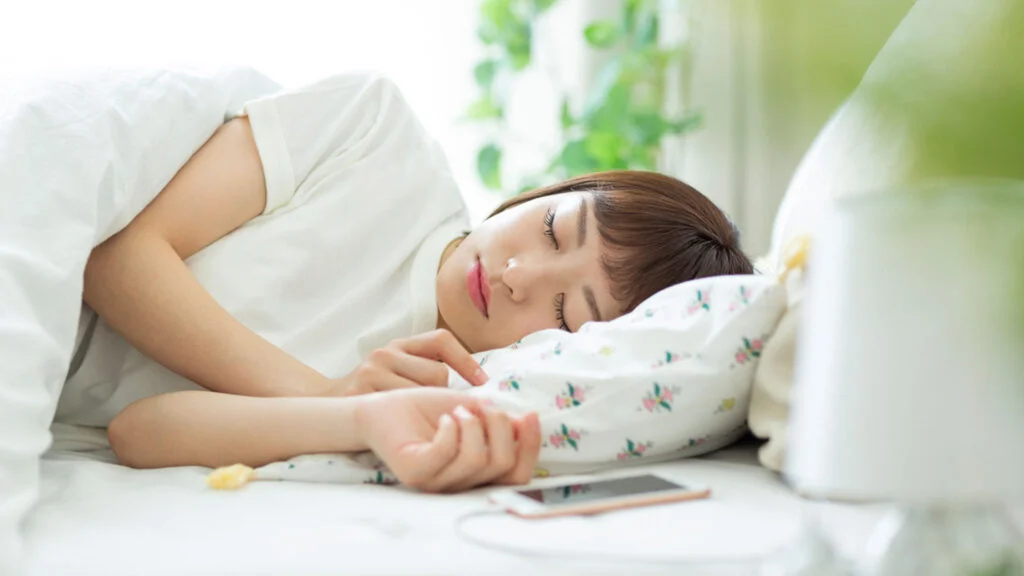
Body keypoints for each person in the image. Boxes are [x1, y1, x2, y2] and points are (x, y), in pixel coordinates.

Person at [54, 72, 753, 493]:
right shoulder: (377, 133)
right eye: (551, 229)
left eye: (566, 312)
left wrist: (350, 417)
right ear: (553, 189)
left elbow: (137, 430)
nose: (516, 276)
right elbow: (115, 252)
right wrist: (320, 392)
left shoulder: (439, 394)